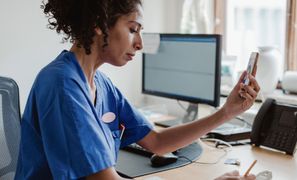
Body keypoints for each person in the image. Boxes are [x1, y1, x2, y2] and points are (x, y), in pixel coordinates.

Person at [15, 0, 260, 179]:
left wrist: (226, 112)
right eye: (133, 29)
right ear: (98, 24)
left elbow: (157, 142)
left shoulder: (101, 84)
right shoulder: (61, 85)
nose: (140, 44)